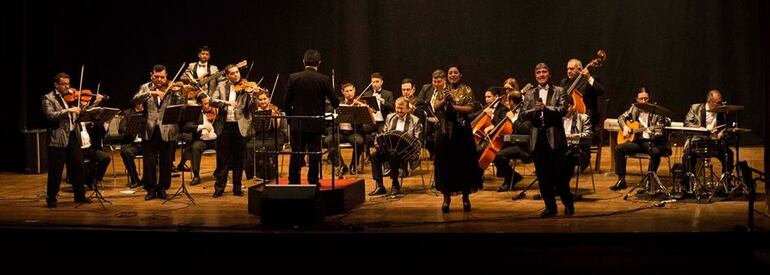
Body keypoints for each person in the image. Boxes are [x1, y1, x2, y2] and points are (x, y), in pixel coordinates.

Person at [520, 63, 574, 217]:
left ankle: (568, 204)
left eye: (544, 72)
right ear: (535, 75)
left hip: (555, 138)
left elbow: (563, 110)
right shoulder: (530, 94)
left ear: (549, 74)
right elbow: (523, 114)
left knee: (560, 176)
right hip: (538, 138)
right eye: (538, 72)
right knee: (543, 177)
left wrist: (546, 108)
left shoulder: (559, 91)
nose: (541, 74)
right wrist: (534, 110)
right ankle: (550, 207)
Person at [284, 49, 340, 186]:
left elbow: (286, 102)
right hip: (316, 124)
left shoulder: (293, 77)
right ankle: (313, 181)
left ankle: (293, 181)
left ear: (303, 62)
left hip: (298, 123)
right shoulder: (324, 79)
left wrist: (291, 120)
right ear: (319, 63)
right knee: (315, 154)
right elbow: (335, 102)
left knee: (296, 153)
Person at [430, 68, 482, 213]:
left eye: (455, 73)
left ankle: (466, 198)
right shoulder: (441, 90)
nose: (453, 75)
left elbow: (470, 108)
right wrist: (445, 100)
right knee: (444, 165)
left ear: (460, 75)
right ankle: (446, 198)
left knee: (464, 164)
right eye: (450, 73)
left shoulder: (467, 90)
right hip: (445, 131)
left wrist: (454, 107)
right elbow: (435, 107)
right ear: (447, 76)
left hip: (462, 131)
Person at [132, 64, 186, 200]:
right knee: (149, 162)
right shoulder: (145, 87)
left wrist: (183, 92)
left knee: (166, 162)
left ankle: (163, 188)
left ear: (166, 76)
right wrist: (152, 92)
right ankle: (150, 189)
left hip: (167, 129)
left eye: (162, 77)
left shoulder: (172, 87)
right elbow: (135, 99)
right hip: (149, 129)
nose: (160, 80)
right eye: (156, 77)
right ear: (152, 75)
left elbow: (181, 103)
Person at [42, 73, 91, 207]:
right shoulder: (48, 98)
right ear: (56, 84)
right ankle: (51, 198)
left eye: (68, 84)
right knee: (56, 170)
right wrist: (68, 110)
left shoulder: (69, 98)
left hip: (72, 136)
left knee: (78, 166)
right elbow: (50, 115)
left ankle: (80, 196)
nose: (67, 87)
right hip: (57, 139)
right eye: (63, 84)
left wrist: (84, 106)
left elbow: (78, 114)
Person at [610, 87, 671, 191]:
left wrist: (653, 133)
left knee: (655, 152)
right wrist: (625, 127)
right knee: (618, 149)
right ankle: (621, 180)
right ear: (637, 99)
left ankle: (649, 180)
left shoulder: (657, 112)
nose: (643, 101)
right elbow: (621, 118)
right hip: (637, 142)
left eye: (646, 99)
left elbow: (660, 131)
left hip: (652, 142)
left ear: (649, 98)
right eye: (641, 99)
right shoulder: (634, 108)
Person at [209, 64, 256, 197]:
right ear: (228, 75)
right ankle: (219, 188)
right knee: (222, 159)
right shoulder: (221, 86)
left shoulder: (246, 87)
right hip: (224, 126)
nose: (236, 75)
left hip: (240, 126)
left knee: (239, 159)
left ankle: (237, 187)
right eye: (233, 73)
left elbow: (252, 108)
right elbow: (212, 101)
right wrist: (227, 103)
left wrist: (252, 95)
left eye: (237, 72)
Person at [369, 97, 422, 196]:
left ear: (408, 109)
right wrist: (378, 142)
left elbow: (418, 140)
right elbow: (384, 133)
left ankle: (395, 184)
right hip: (389, 149)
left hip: (406, 153)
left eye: (401, 108)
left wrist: (411, 147)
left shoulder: (415, 120)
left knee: (393, 154)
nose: (399, 110)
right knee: (374, 156)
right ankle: (380, 186)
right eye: (397, 108)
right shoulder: (390, 117)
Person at [681, 90, 734, 189]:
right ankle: (689, 184)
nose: (720, 105)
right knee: (687, 156)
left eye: (721, 102)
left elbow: (726, 127)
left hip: (714, 143)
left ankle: (726, 182)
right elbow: (687, 123)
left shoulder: (722, 111)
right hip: (698, 141)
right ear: (709, 101)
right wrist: (701, 129)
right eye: (718, 103)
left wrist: (722, 132)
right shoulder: (695, 108)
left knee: (729, 154)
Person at [323, 82, 368, 175]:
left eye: (351, 90)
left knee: (359, 141)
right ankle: (340, 165)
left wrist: (362, 108)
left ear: (354, 90)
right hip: (339, 132)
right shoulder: (337, 103)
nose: (349, 93)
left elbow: (365, 120)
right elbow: (328, 114)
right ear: (342, 92)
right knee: (328, 141)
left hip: (353, 132)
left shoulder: (360, 102)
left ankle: (353, 165)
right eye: (346, 91)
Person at [491, 89, 531, 192]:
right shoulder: (512, 112)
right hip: (514, 143)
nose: (507, 104)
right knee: (495, 154)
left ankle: (511, 179)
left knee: (498, 156)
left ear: (512, 101)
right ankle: (511, 178)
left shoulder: (525, 112)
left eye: (508, 101)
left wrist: (513, 119)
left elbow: (524, 130)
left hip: (525, 146)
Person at [245, 89, 287, 181]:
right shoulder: (255, 111)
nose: (263, 101)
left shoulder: (274, 109)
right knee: (248, 147)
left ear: (268, 99)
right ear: (257, 100)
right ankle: (252, 175)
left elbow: (277, 127)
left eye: (264, 99)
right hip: (259, 136)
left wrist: (274, 118)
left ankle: (268, 174)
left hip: (273, 136)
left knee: (266, 147)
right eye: (260, 100)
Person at [179, 95, 218, 186]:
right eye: (206, 104)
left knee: (223, 145)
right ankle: (196, 176)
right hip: (201, 140)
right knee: (195, 147)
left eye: (210, 103)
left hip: (215, 139)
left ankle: (219, 172)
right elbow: (187, 127)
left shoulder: (216, 111)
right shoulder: (194, 113)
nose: (209, 106)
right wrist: (202, 126)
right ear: (200, 104)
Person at [415, 70, 448, 158]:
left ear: (445, 80)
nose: (436, 84)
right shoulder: (426, 88)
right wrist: (428, 116)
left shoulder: (448, 90)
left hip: (443, 119)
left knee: (437, 130)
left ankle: (437, 155)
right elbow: (418, 103)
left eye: (439, 82)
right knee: (421, 128)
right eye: (434, 81)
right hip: (428, 119)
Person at [562, 103, 593, 183]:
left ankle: (563, 186)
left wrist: (572, 136)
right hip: (561, 148)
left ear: (573, 106)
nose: (565, 109)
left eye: (567, 107)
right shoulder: (559, 119)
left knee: (566, 156)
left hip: (578, 149)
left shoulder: (583, 118)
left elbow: (588, 134)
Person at [118, 103, 144, 189]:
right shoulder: (127, 113)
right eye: (141, 103)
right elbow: (121, 129)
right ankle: (135, 180)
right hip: (132, 143)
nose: (143, 105)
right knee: (125, 152)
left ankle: (147, 179)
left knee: (155, 151)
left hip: (145, 143)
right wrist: (132, 128)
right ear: (136, 104)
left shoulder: (148, 111)